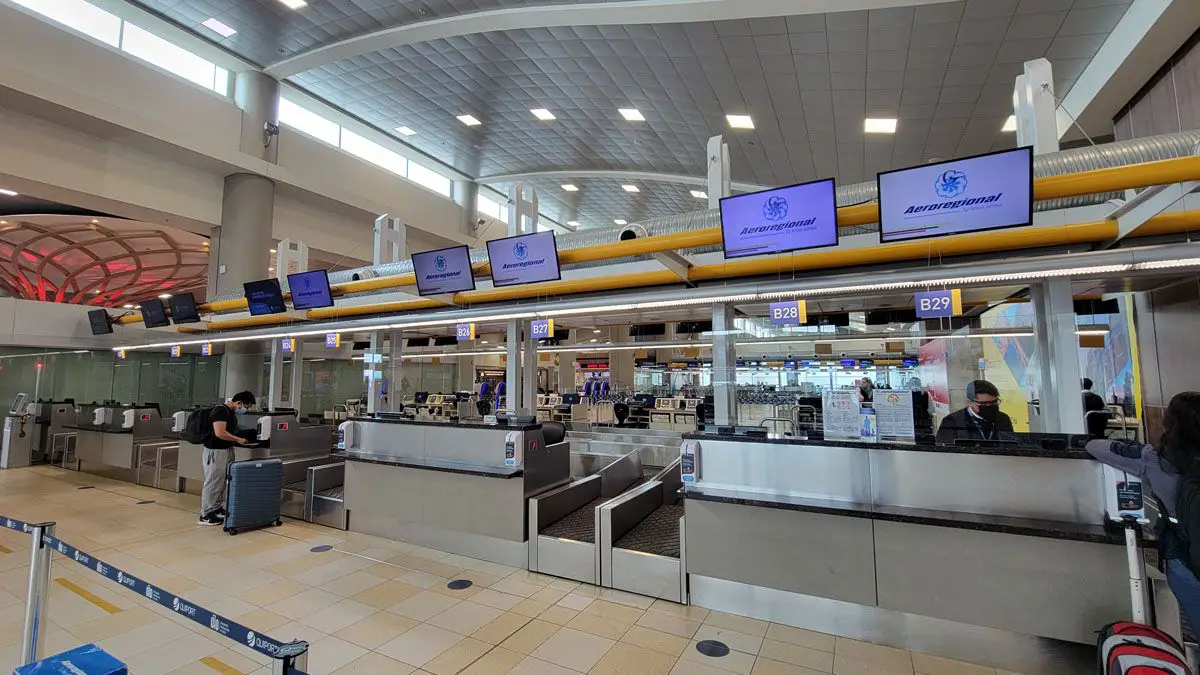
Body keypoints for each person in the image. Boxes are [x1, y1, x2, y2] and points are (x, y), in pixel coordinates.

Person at [1086, 392, 1200, 627]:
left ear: (1170, 424)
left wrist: (1131, 447)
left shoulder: (1154, 459)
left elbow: (1094, 446)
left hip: (1183, 557)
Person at [199, 391, 255, 526]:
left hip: (225, 450)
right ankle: (205, 514)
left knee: (221, 481)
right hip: (215, 451)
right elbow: (220, 432)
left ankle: (216, 508)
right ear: (239, 403)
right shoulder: (221, 411)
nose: (245, 410)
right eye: (245, 407)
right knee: (213, 481)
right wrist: (238, 439)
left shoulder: (229, 413)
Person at [935, 379, 1014, 443]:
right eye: (983, 404)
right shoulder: (951, 421)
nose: (989, 406)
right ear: (969, 402)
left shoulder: (1003, 418)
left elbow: (1011, 445)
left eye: (994, 402)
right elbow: (945, 451)